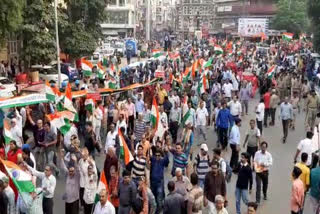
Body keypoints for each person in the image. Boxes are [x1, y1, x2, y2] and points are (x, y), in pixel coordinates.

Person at [150, 148, 169, 213]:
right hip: (153, 183)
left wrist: (166, 153)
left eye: (159, 155)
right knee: (153, 198)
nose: (157, 156)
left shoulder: (162, 161)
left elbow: (167, 162)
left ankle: (158, 212)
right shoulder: (153, 159)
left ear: (161, 156)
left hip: (159, 183)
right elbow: (148, 157)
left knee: (159, 200)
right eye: (156, 155)